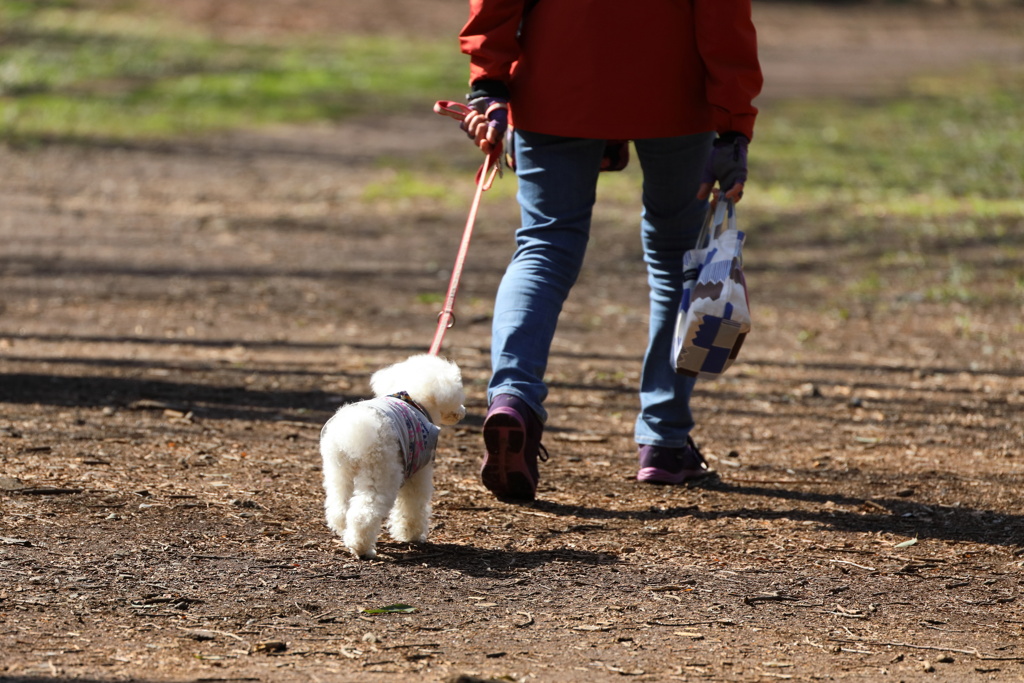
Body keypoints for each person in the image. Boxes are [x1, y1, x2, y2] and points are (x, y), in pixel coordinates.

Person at [455, 0, 762, 501]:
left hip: (556, 83)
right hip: (675, 93)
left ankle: (513, 396)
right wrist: (732, 123)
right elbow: (721, 15)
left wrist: (488, 84)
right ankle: (664, 440)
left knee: (545, 245)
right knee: (676, 259)